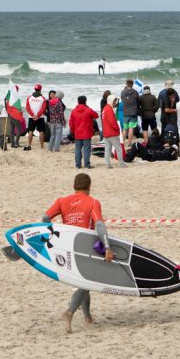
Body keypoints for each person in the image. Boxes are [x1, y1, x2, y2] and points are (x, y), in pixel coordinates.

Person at [41, 173, 114, 333]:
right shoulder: (93, 202)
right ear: (89, 187)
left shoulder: (62, 201)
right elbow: (99, 225)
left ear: (74, 186)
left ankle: (88, 317)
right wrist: (107, 247)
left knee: (83, 281)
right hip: (84, 246)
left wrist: (53, 233)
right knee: (87, 281)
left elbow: (45, 217)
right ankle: (69, 312)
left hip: (67, 246)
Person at [69, 96, 99, 169]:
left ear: (78, 101)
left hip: (78, 133)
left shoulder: (74, 111)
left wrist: (73, 132)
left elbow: (71, 123)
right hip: (87, 133)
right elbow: (96, 115)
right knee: (86, 150)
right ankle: (86, 165)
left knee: (77, 150)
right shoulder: (88, 110)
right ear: (85, 101)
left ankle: (78, 165)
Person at [101, 95, 126, 169]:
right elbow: (112, 122)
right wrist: (117, 128)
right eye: (114, 101)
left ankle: (108, 164)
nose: (115, 102)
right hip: (112, 133)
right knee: (118, 149)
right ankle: (121, 164)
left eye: (116, 101)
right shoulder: (109, 109)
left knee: (107, 149)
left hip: (106, 132)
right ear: (111, 101)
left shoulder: (105, 109)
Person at [25, 84, 47, 150]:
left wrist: (33, 115)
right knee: (41, 131)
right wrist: (38, 115)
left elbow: (27, 108)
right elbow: (43, 108)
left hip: (31, 117)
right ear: (40, 90)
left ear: (34, 89)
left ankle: (29, 145)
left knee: (30, 131)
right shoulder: (42, 98)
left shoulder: (29, 98)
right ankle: (42, 146)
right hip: (40, 117)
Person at [121, 79, 139, 148]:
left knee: (125, 128)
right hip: (133, 113)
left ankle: (122, 142)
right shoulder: (135, 92)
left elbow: (122, 100)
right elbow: (137, 101)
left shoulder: (123, 92)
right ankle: (129, 143)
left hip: (125, 112)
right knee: (131, 128)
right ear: (132, 84)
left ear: (126, 84)